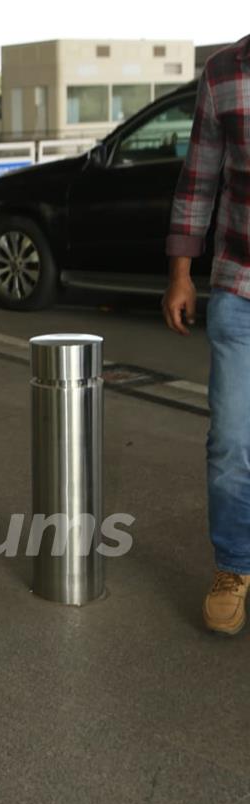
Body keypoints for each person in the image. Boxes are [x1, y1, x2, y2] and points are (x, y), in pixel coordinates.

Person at [163, 33, 250, 635]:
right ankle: (233, 566)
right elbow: (200, 178)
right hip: (240, 290)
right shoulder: (225, 72)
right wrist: (180, 276)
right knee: (232, 443)